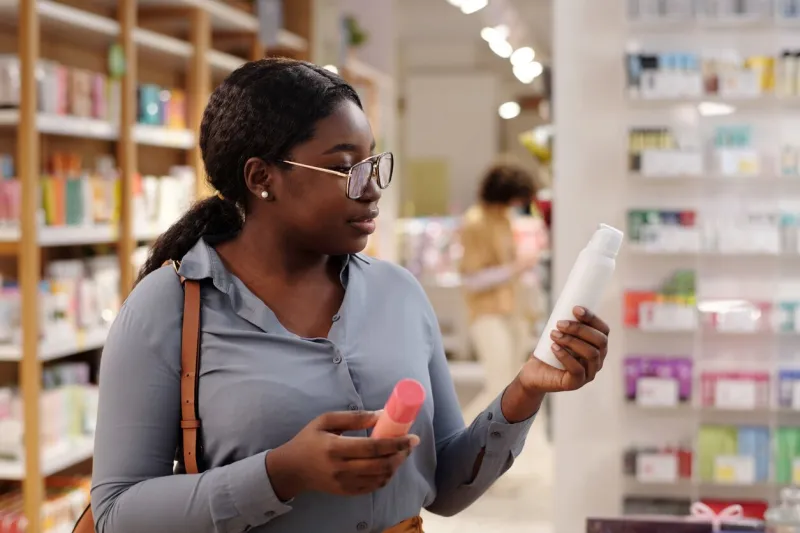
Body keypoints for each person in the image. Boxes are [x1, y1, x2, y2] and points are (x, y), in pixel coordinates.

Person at [91, 58, 610, 533]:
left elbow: (447, 489)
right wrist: (280, 473)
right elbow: (117, 513)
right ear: (261, 177)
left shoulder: (398, 292)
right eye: (344, 168)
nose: (371, 187)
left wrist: (527, 389)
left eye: (372, 163)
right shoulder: (170, 306)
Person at [458, 163, 542, 425]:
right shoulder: (474, 223)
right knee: (498, 385)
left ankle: (490, 449)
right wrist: (515, 268)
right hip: (486, 312)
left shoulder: (505, 218)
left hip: (513, 310)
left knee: (511, 385)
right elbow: (471, 279)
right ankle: (461, 442)